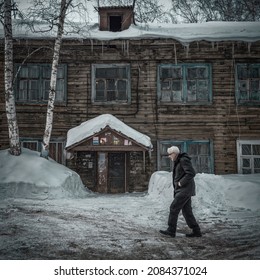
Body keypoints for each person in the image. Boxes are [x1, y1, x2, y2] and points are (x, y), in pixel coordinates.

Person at [159, 146, 201, 238]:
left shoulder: (183, 160)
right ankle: (196, 231)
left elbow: (191, 173)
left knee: (174, 208)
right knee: (187, 211)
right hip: (183, 190)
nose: (169, 157)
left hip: (184, 190)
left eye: (170, 154)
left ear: (174, 153)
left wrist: (181, 183)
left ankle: (171, 230)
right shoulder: (178, 161)